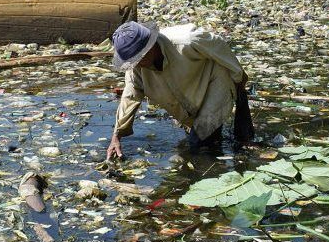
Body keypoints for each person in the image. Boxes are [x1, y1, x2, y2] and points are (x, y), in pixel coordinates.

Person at [106, 21, 254, 160]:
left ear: (150, 46)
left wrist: (238, 75)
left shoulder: (188, 40)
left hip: (215, 81)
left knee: (198, 142)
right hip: (190, 93)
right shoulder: (136, 69)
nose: (137, 64)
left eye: (139, 59)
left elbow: (219, 46)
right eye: (133, 61)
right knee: (201, 137)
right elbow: (130, 97)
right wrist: (116, 136)